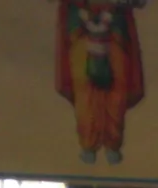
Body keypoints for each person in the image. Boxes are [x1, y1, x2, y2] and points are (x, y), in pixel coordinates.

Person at [54, 0, 147, 165]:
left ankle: (113, 143)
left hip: (116, 30)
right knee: (85, 92)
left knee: (117, 92)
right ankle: (88, 144)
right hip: (80, 28)